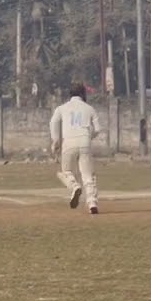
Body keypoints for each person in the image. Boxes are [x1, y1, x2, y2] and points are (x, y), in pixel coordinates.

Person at [50, 82, 101, 215]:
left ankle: (74, 186)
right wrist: (89, 137)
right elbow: (98, 129)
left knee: (66, 171)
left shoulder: (62, 108)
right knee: (88, 174)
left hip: (68, 142)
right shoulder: (89, 108)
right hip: (84, 141)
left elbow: (53, 122)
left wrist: (55, 141)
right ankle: (92, 202)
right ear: (83, 94)